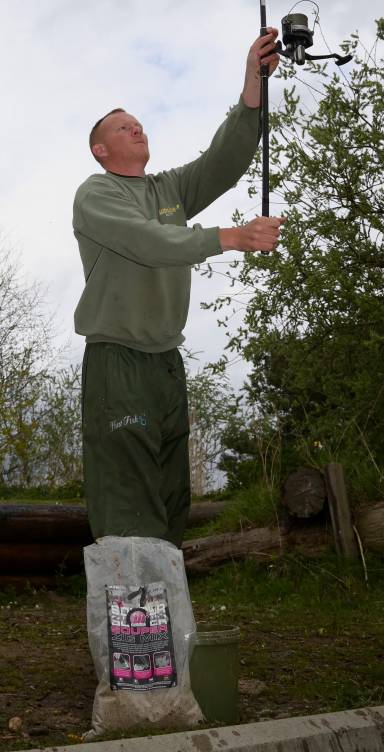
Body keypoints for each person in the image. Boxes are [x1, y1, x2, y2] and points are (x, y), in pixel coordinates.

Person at [73, 30, 283, 548]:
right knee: (126, 491)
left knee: (170, 493)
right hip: (117, 358)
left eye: (139, 123)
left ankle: (165, 619)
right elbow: (147, 241)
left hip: (167, 360)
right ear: (102, 149)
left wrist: (252, 86)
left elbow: (224, 162)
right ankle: (130, 625)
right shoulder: (96, 193)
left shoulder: (168, 190)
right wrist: (228, 237)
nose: (136, 128)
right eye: (124, 127)